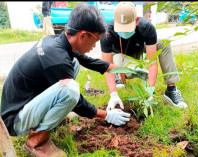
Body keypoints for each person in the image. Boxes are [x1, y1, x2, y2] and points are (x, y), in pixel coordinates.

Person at [0, 4, 130, 157]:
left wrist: (124, 71)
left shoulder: (57, 41)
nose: (94, 45)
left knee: (74, 63)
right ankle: (36, 141)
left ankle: (54, 116)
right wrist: (106, 115)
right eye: (95, 40)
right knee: (70, 90)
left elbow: (87, 61)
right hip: (16, 121)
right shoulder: (58, 59)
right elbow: (78, 102)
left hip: (24, 104)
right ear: (83, 35)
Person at [100, 2, 188, 111]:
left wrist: (150, 92)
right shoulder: (107, 32)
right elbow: (107, 67)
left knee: (164, 43)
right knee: (127, 70)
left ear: (136, 21)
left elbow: (152, 63)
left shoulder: (146, 27)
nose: (124, 32)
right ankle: (119, 76)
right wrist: (113, 95)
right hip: (119, 55)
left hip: (140, 50)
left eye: (127, 28)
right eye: (121, 28)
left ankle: (171, 90)